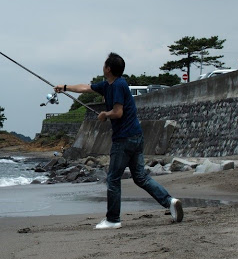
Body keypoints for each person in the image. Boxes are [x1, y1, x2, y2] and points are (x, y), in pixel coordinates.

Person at [55, 52, 183, 229]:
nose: (103, 66)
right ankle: (170, 201)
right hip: (136, 137)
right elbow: (85, 88)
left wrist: (104, 115)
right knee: (140, 178)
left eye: (104, 64)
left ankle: (113, 219)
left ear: (108, 68)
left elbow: (118, 112)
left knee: (113, 179)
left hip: (124, 139)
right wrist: (65, 87)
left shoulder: (117, 86)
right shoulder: (110, 84)